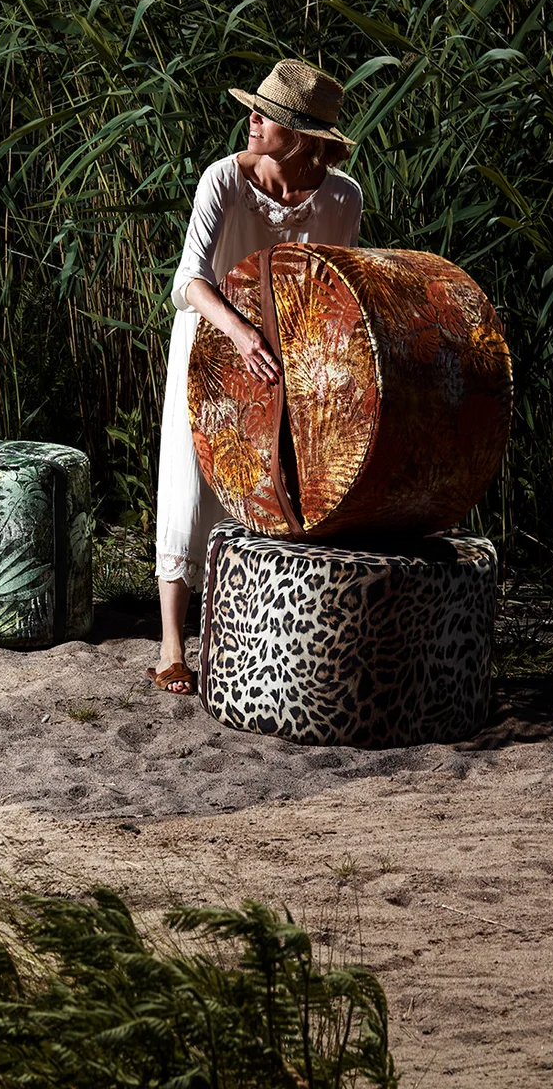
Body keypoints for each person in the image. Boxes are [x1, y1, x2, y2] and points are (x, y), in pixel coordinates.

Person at [149, 60, 363, 693]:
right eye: (257, 109)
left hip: (285, 353)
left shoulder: (342, 196)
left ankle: (246, 637)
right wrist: (240, 332)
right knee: (189, 484)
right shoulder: (223, 179)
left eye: (267, 115)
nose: (253, 119)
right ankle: (171, 646)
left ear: (300, 136)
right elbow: (188, 280)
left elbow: (331, 286)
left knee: (269, 486)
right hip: (212, 340)